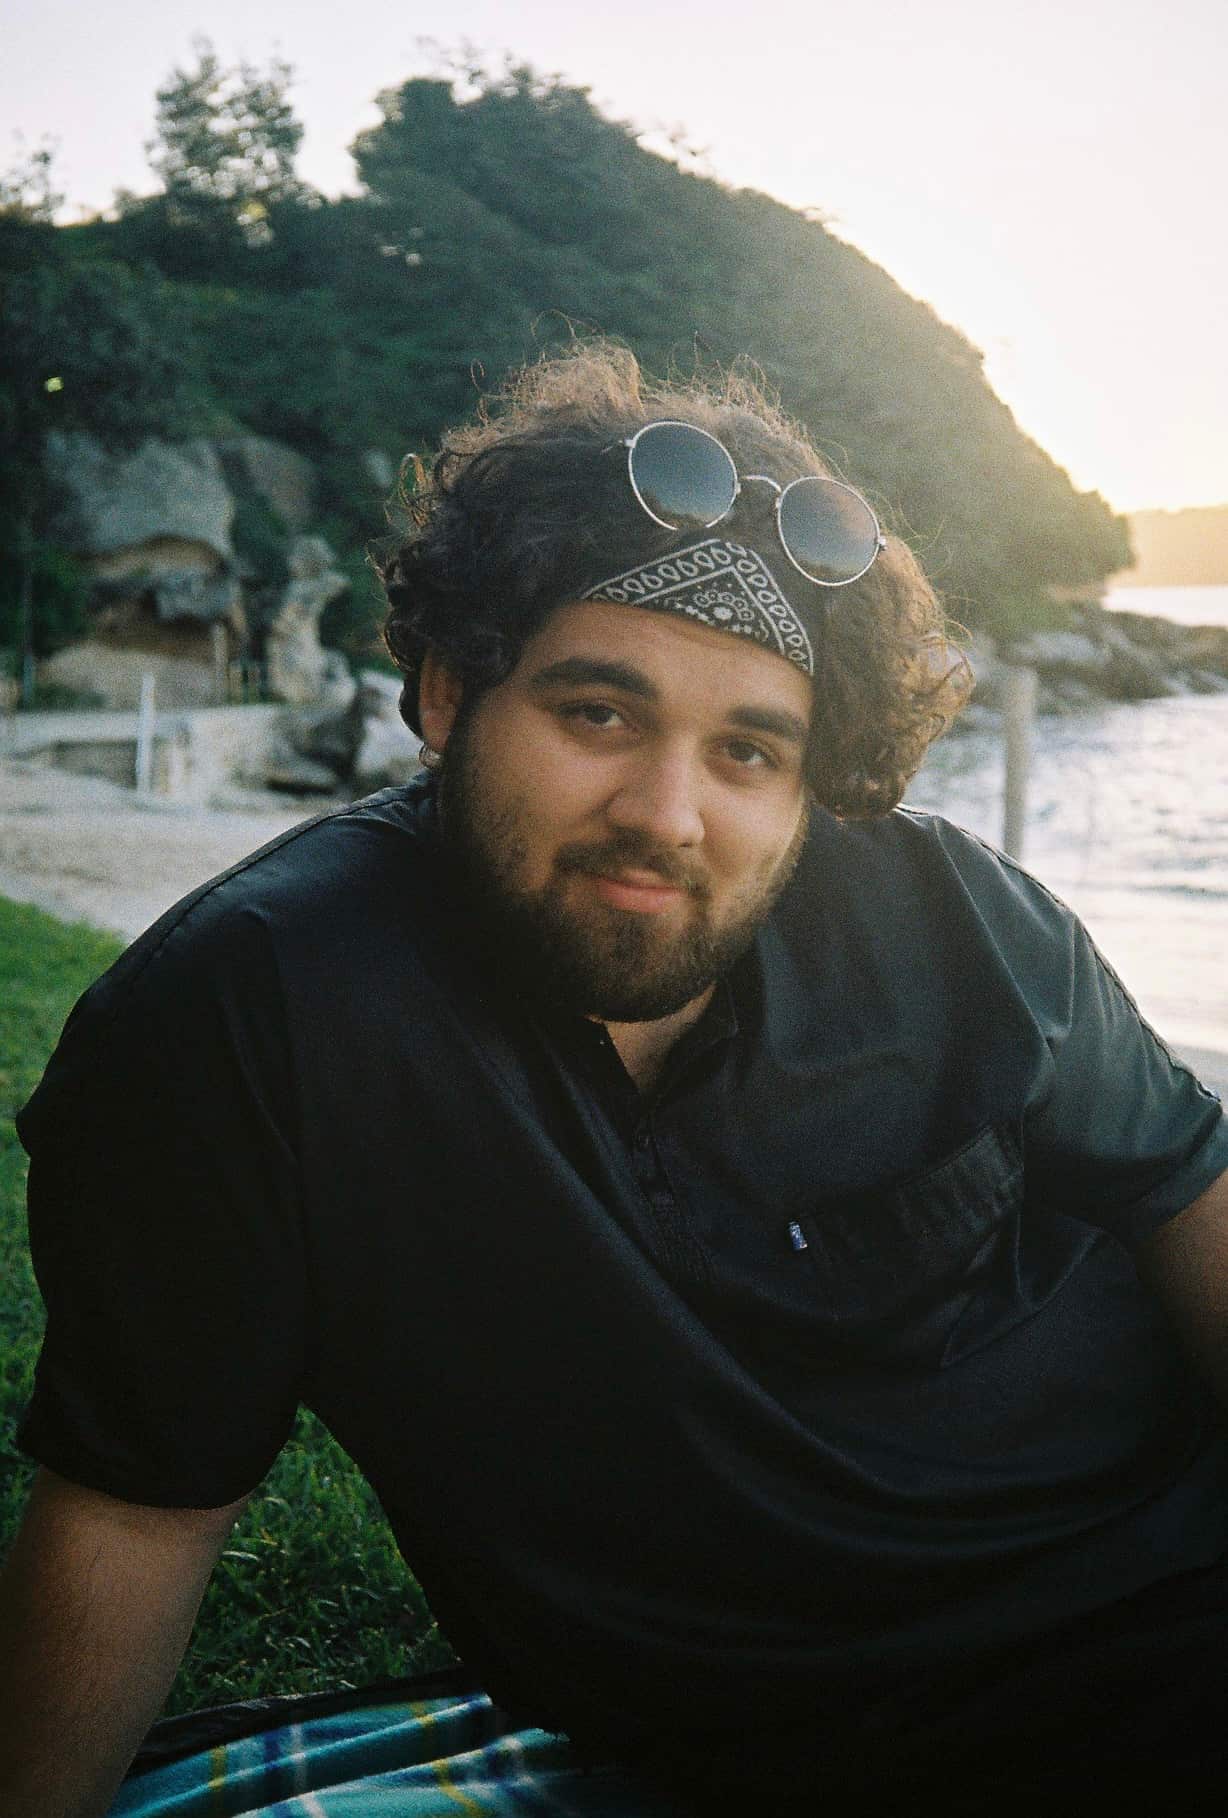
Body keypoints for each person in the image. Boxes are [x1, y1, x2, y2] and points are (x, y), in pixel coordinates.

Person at [2, 344, 1227, 1818]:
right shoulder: (253, 1023)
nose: (669, 814)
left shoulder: (960, 921)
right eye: (598, 713)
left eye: (749, 751)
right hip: (779, 1752)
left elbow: (1191, 1191)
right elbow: (132, 1516)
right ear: (449, 689)